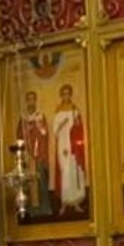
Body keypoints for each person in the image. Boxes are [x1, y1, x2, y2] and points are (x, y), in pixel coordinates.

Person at [50, 83, 88, 215]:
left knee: (74, 170)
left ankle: (76, 201)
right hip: (63, 143)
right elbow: (54, 130)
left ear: (70, 94)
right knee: (65, 170)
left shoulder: (75, 109)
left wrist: (77, 125)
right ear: (61, 95)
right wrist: (61, 124)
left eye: (68, 93)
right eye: (64, 93)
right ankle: (64, 202)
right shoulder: (58, 110)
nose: (66, 96)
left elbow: (79, 128)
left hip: (73, 145)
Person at [17, 90, 52, 216]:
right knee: (28, 183)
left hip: (38, 155)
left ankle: (44, 208)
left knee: (41, 181)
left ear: (36, 101)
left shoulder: (40, 116)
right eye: (29, 99)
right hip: (28, 155)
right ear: (27, 101)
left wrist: (36, 127)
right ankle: (31, 210)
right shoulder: (23, 118)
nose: (31, 101)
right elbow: (19, 136)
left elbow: (44, 134)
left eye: (33, 99)